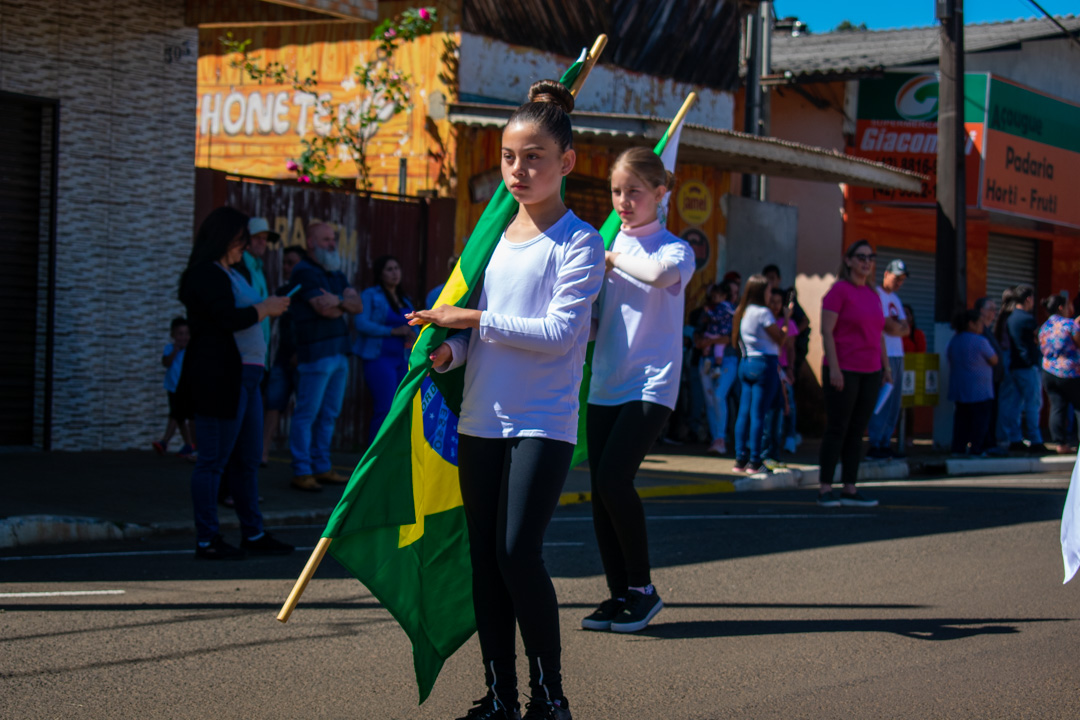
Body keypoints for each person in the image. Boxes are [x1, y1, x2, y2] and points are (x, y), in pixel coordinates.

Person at [409, 79, 602, 720]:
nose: (519, 170)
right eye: (509, 157)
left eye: (535, 157)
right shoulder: (493, 240)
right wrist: (450, 352)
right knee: (486, 562)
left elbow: (557, 335)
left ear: (566, 162)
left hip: (543, 421)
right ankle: (500, 696)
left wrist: (467, 322)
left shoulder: (580, 242)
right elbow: (485, 329)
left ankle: (551, 696)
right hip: (480, 420)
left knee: (519, 551)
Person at [580, 146, 694, 636]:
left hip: (652, 384)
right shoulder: (604, 251)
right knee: (599, 492)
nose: (623, 201)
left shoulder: (673, 249)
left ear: (660, 194)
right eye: (616, 192)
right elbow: (591, 324)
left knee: (613, 480)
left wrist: (609, 257)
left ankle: (643, 590)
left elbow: (660, 276)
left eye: (634, 192)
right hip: (606, 383)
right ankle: (619, 593)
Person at [177, 206, 293, 560]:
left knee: (245, 460)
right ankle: (207, 538)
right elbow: (225, 318)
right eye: (242, 238)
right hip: (223, 377)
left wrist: (265, 307)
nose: (245, 245)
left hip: (248, 375)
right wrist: (265, 309)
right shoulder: (205, 274)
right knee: (213, 460)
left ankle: (252, 532)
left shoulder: (234, 272)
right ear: (226, 238)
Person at [288, 221, 364, 492]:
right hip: (315, 353)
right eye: (325, 239)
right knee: (307, 413)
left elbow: (358, 306)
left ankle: (321, 466)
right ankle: (302, 469)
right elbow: (322, 308)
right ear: (310, 242)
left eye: (333, 239)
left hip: (338, 352)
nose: (332, 244)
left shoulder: (335, 272)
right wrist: (340, 303)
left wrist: (339, 303)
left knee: (330, 413)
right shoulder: (303, 271)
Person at [817, 240, 890, 508]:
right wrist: (834, 368)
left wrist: (886, 367)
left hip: (870, 371)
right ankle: (825, 488)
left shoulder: (873, 294)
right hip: (843, 369)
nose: (866, 262)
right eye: (861, 257)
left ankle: (850, 487)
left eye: (870, 257)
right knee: (838, 428)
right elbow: (827, 331)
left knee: (857, 431)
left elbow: (879, 333)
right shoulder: (839, 291)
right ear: (848, 260)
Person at [731, 274, 791, 474]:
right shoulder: (763, 313)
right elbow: (780, 338)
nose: (769, 294)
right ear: (761, 292)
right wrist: (787, 317)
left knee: (744, 413)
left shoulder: (743, 311)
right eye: (767, 291)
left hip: (746, 362)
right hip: (764, 364)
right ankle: (755, 461)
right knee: (759, 415)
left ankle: (740, 459)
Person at [354, 255, 416, 442]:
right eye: (389, 269)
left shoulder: (405, 299)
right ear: (380, 274)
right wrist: (392, 331)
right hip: (379, 358)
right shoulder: (370, 295)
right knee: (385, 408)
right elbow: (361, 323)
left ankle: (393, 456)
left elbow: (414, 324)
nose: (394, 273)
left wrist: (414, 333)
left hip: (402, 359)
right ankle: (375, 460)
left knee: (402, 407)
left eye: (397, 268)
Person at [262, 245, 307, 465]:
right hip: (282, 357)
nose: (287, 267)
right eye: (285, 263)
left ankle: (302, 461)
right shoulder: (282, 291)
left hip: (305, 358)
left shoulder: (309, 292)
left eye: (292, 262)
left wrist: (301, 353)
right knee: (273, 404)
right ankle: (262, 452)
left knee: (305, 410)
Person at [867, 259, 909, 459]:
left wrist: (897, 326)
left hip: (898, 355)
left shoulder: (896, 299)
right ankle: (875, 443)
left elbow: (906, 328)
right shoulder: (877, 294)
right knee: (882, 400)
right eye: (896, 278)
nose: (899, 282)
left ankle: (885, 443)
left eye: (902, 279)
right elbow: (887, 326)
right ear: (885, 274)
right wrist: (896, 326)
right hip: (884, 355)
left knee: (894, 402)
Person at [999, 285, 1047, 454]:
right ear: (1028, 299)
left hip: (1013, 366)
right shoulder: (1027, 319)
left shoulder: (1009, 318)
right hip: (1027, 366)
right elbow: (1038, 340)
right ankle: (1035, 440)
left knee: (1014, 405)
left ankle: (1014, 438)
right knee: (1033, 404)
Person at [946, 308, 998, 456]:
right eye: (980, 323)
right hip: (980, 389)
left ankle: (958, 448)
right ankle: (976, 449)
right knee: (979, 422)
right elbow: (994, 359)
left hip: (959, 388)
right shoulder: (980, 341)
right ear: (971, 324)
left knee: (961, 421)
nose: (982, 326)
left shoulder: (954, 340)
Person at [695, 282, 738, 455]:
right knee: (710, 399)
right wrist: (703, 342)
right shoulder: (706, 313)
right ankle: (716, 438)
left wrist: (711, 341)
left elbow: (731, 339)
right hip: (707, 360)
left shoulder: (732, 313)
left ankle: (721, 437)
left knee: (719, 396)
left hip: (727, 360)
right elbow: (697, 335)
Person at [1038, 294, 1080, 454]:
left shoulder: (1045, 326)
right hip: (1070, 371)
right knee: (1078, 408)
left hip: (1048, 371)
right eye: (1068, 305)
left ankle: (1059, 443)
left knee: (1057, 407)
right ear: (1061, 307)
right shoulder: (1070, 325)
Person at [762, 287, 799, 466]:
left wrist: (790, 368)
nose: (775, 306)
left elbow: (789, 347)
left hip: (782, 368)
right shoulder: (765, 320)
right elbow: (779, 340)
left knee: (787, 404)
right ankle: (766, 450)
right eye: (772, 302)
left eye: (779, 303)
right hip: (768, 367)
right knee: (769, 410)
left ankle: (789, 437)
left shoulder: (787, 323)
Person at [153, 317, 196, 460]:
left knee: (178, 415)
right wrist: (176, 350)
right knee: (179, 418)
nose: (183, 337)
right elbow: (166, 362)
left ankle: (166, 441)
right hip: (173, 388)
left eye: (186, 334)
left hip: (187, 389)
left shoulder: (191, 351)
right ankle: (188, 445)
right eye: (180, 334)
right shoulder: (170, 348)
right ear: (173, 335)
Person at [973, 297, 1006, 456]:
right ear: (981, 311)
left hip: (993, 381)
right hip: (984, 382)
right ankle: (986, 444)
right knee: (984, 416)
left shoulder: (987, 330)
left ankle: (989, 443)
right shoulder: (980, 333)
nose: (995, 312)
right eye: (991, 308)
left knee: (991, 414)